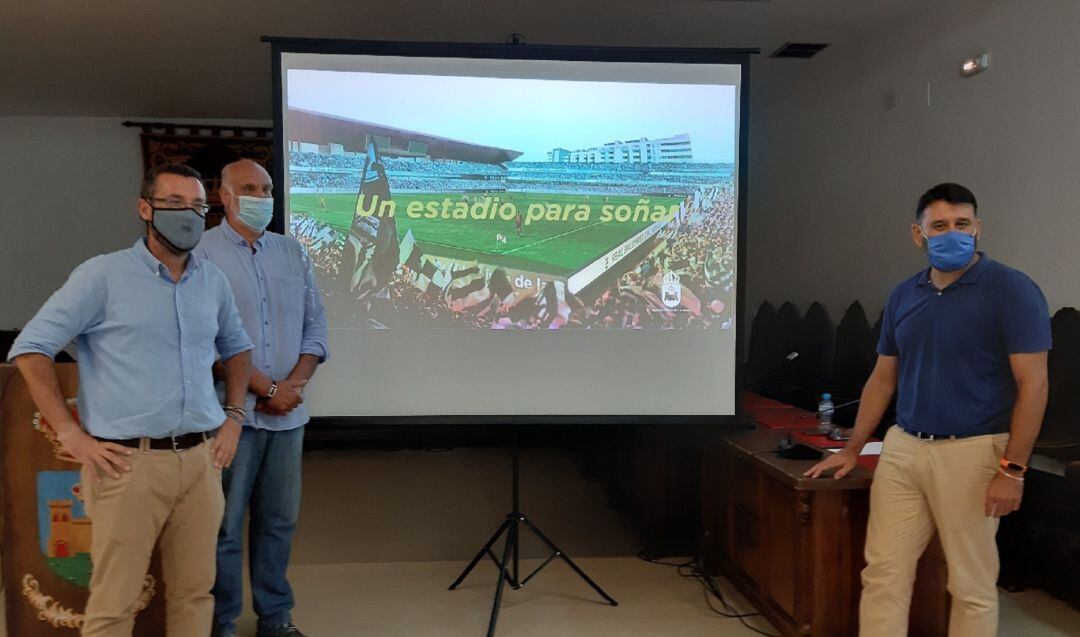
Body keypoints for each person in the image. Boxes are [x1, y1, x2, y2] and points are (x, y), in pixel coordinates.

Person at [8, 164, 253, 637]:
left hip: (201, 460)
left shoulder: (213, 281)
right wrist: (70, 434)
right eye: (175, 204)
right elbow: (31, 348)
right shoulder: (102, 276)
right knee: (114, 601)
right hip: (126, 465)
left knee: (195, 593)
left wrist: (235, 418)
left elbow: (238, 347)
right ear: (146, 209)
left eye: (199, 207)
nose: (189, 215)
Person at [805, 183, 1051, 636]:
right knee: (882, 575)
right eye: (939, 226)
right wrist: (852, 449)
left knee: (970, 585)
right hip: (903, 448)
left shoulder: (1012, 290)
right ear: (918, 234)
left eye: (962, 224)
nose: (952, 234)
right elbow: (883, 378)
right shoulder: (905, 295)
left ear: (978, 227)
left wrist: (1013, 470)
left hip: (974, 452)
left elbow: (1033, 385)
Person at [194, 159, 329, 637]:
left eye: (267, 187)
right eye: (249, 188)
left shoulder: (293, 253)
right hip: (231, 417)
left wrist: (290, 387)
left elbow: (316, 330)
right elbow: (207, 341)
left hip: (288, 418)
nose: (261, 196)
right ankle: (223, 622)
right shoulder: (202, 253)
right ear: (225, 197)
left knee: (279, 522)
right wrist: (266, 389)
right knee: (224, 527)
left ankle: (276, 617)